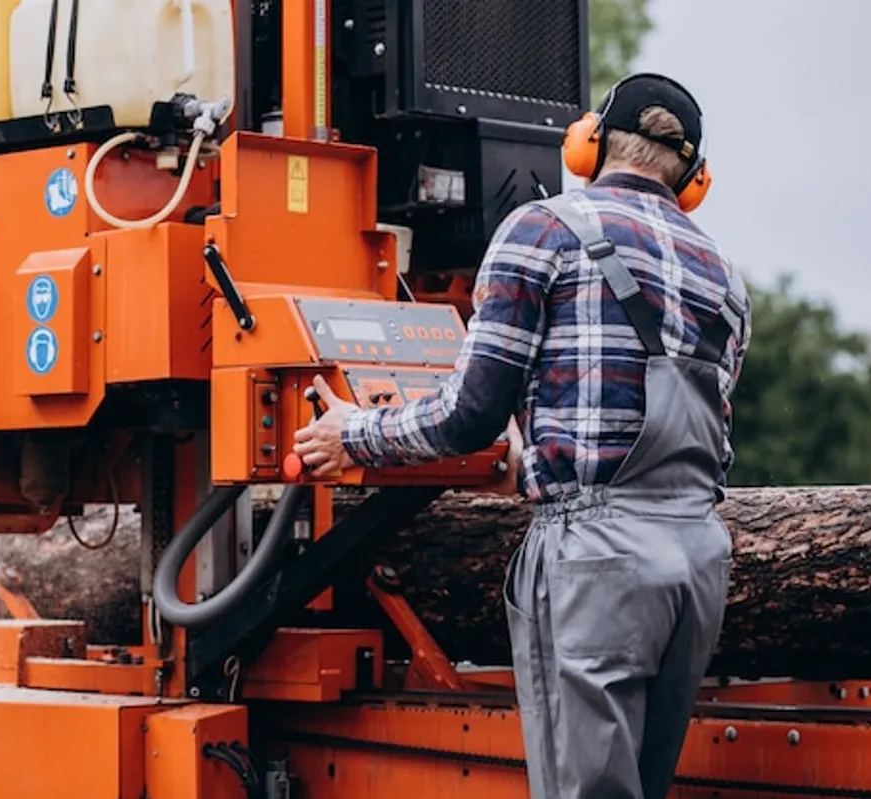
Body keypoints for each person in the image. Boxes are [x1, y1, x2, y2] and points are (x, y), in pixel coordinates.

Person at [293, 72, 752, 799]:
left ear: (589, 143)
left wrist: (358, 432)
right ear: (692, 178)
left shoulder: (544, 229)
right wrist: (531, 451)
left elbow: (467, 414)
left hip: (597, 559)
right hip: (699, 562)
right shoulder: (725, 276)